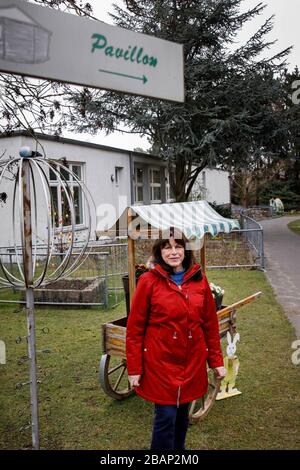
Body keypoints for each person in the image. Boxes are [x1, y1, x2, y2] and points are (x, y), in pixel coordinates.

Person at [126, 231, 226, 451]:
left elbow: (210, 325)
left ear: (185, 249)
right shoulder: (148, 281)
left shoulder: (199, 281)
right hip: (160, 363)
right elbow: (134, 329)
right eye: (167, 247)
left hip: (192, 362)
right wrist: (134, 368)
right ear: (159, 251)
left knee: (182, 418)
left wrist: (216, 361)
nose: (173, 252)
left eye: (178, 246)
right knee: (166, 417)